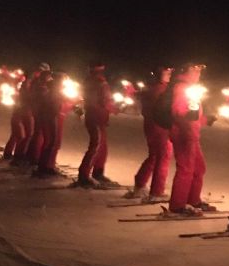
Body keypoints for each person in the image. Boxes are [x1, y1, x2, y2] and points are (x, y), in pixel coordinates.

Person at [168, 63, 215, 215]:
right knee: (186, 169)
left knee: (199, 168)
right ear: (185, 71)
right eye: (194, 70)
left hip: (191, 133)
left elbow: (192, 115)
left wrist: (205, 120)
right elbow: (179, 111)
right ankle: (177, 205)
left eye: (199, 70)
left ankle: (192, 200)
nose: (198, 73)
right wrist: (190, 113)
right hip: (183, 134)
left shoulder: (190, 87)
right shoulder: (182, 87)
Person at [125, 66, 174, 201]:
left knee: (153, 155)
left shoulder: (150, 88)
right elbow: (166, 109)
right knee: (163, 156)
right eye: (167, 73)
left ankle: (140, 184)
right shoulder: (162, 90)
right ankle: (157, 191)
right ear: (160, 75)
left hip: (150, 125)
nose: (169, 75)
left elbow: (140, 96)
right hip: (160, 126)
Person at [77, 62, 118, 187]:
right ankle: (84, 175)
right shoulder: (98, 83)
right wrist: (114, 108)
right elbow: (104, 100)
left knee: (102, 147)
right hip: (96, 117)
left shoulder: (91, 82)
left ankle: (98, 172)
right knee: (96, 145)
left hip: (98, 118)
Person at [35, 72, 77, 176]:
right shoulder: (53, 91)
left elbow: (65, 102)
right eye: (63, 81)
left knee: (51, 142)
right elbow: (55, 105)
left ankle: (47, 166)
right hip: (50, 118)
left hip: (50, 117)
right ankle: (43, 168)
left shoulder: (55, 90)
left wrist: (74, 105)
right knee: (50, 142)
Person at [25, 62, 52, 165]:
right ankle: (35, 157)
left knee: (37, 134)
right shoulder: (39, 85)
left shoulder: (37, 83)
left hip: (38, 111)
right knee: (39, 134)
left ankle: (33, 156)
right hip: (40, 111)